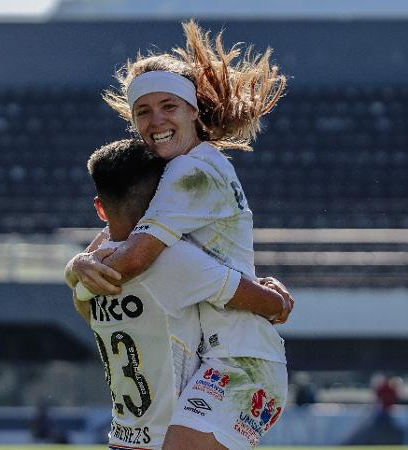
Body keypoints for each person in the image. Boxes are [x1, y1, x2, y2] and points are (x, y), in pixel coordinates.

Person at [66, 20, 292, 449]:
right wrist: (77, 265)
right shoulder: (177, 173)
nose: (156, 121)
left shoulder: (193, 170)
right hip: (209, 361)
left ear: (193, 111)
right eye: (143, 111)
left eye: (169, 106)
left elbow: (131, 258)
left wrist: (76, 274)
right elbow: (117, 240)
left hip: (240, 361)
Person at [73, 139, 291, 449]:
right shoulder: (169, 260)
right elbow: (269, 304)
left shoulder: (90, 273)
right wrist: (272, 294)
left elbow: (79, 297)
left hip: (127, 435)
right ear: (162, 202)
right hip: (172, 432)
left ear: (99, 208)